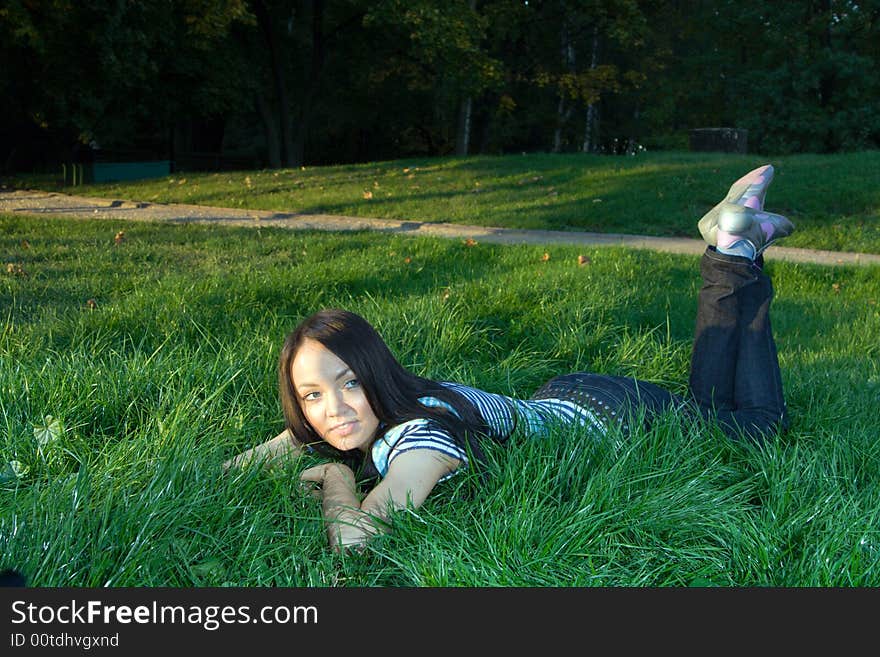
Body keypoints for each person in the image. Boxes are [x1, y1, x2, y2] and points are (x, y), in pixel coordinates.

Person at [224, 164, 794, 553]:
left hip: (616, 420)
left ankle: (734, 256)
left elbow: (358, 539)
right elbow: (278, 446)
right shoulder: (395, 395)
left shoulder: (418, 437)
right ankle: (734, 249)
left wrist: (332, 480)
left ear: (373, 370)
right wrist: (291, 441)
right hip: (571, 396)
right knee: (712, 405)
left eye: (348, 384)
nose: (334, 411)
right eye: (312, 395)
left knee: (756, 426)